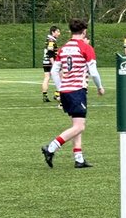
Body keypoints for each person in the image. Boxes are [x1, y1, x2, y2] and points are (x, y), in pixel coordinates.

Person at [41, 18, 105, 169]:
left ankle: (79, 158)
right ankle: (51, 148)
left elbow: (55, 70)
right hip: (77, 90)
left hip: (65, 91)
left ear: (71, 31)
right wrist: (100, 87)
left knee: (76, 123)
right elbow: (94, 72)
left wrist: (60, 87)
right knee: (80, 126)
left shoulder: (63, 48)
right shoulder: (85, 47)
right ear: (84, 31)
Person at [41, 24, 60, 102]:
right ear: (53, 32)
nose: (59, 33)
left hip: (45, 61)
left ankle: (45, 95)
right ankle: (57, 94)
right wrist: (54, 63)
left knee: (47, 78)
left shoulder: (49, 39)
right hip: (50, 62)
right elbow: (50, 52)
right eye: (57, 31)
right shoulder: (51, 41)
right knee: (61, 76)